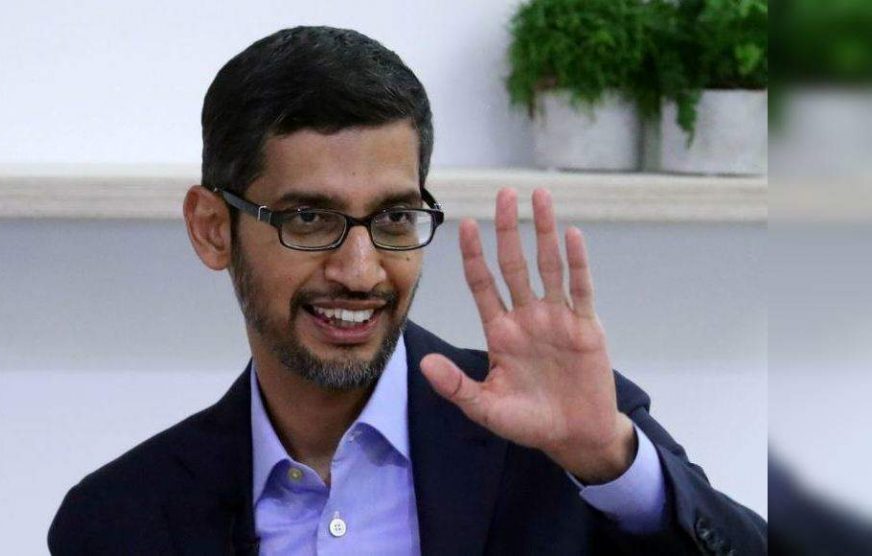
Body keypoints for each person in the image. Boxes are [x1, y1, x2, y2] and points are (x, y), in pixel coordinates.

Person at [48, 26, 766, 555]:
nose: (361, 270)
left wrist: (612, 461)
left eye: (393, 218)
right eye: (309, 218)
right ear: (212, 229)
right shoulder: (117, 522)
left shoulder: (562, 441)